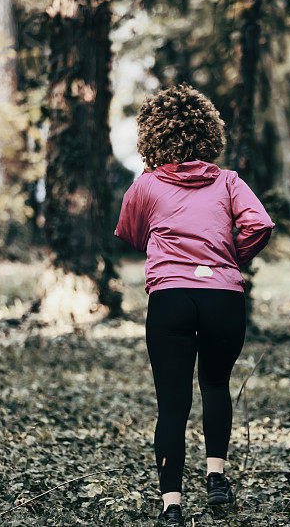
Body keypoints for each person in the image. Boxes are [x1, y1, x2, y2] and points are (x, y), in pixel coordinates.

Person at [114, 84, 275, 527]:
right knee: (217, 385)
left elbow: (129, 232)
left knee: (172, 402)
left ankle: (171, 505)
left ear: (152, 137)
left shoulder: (146, 184)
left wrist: (166, 249)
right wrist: (228, 259)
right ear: (209, 133)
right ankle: (216, 476)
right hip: (223, 296)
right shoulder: (227, 181)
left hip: (171, 298)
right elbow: (259, 224)